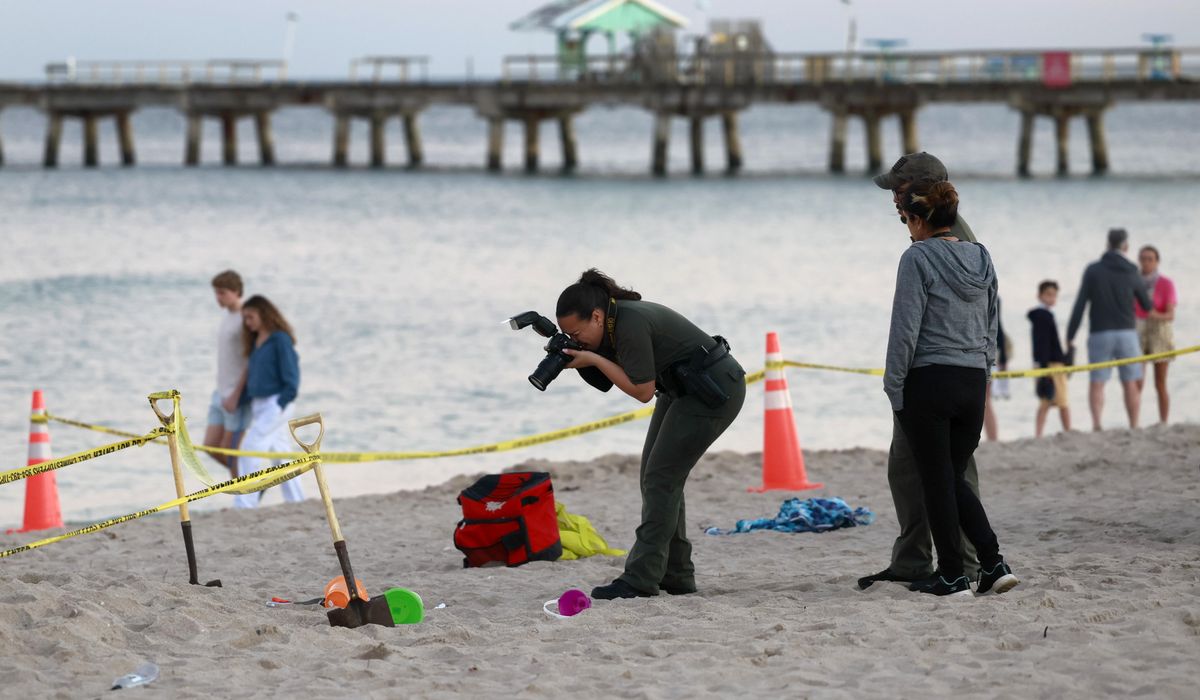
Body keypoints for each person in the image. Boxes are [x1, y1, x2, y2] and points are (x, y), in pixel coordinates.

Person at [552, 269, 746, 600]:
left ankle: (641, 579)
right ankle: (677, 574)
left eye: (576, 332)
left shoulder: (629, 323)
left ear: (597, 316)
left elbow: (642, 391)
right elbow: (625, 379)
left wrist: (594, 359)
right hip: (680, 390)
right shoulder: (612, 323)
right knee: (655, 477)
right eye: (567, 334)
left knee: (661, 478)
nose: (575, 339)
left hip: (714, 391)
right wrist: (585, 357)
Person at [883, 179, 1018, 597]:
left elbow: (904, 330)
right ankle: (992, 565)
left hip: (930, 382)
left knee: (938, 480)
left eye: (906, 218)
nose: (906, 225)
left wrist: (893, 387)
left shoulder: (917, 258)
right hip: (972, 381)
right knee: (952, 477)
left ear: (921, 219)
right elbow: (991, 320)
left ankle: (954, 575)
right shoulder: (981, 256)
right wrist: (987, 372)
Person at [859, 152, 983, 590]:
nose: (892, 199)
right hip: (942, 375)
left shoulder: (943, 242)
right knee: (907, 468)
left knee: (952, 471)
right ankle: (913, 559)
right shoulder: (932, 235)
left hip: (932, 379)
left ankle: (965, 564)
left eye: (897, 190)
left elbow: (914, 322)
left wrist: (896, 384)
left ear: (919, 193)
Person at [1066, 228, 1153, 431]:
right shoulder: (1132, 270)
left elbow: (1080, 304)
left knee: (1097, 381)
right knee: (1131, 381)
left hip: (1100, 332)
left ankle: (1097, 425)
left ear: (1107, 245)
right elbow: (1147, 306)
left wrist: (1070, 335)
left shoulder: (1093, 270)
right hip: (1127, 333)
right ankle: (1134, 424)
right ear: (1126, 246)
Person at [234, 295, 304, 509]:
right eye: (245, 318)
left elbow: (292, 376)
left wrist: (281, 403)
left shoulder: (280, 339)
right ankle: (297, 502)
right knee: (281, 455)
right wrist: (239, 400)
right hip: (259, 404)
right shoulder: (256, 343)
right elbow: (257, 378)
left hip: (276, 403)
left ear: (264, 314)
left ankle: (245, 503)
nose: (248, 322)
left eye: (251, 317)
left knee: (249, 448)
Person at [205, 271, 251, 476]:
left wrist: (236, 395)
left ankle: (243, 500)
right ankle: (252, 481)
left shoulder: (245, 319)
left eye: (222, 293)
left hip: (237, 395)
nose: (218, 298)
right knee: (211, 446)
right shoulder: (227, 317)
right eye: (216, 293)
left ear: (236, 292)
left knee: (231, 451)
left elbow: (251, 361)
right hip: (220, 392)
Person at [1134, 245, 1177, 424]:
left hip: (1160, 331)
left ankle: (1163, 421)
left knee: (1160, 382)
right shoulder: (1133, 282)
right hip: (1138, 330)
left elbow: (1170, 314)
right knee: (1137, 382)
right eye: (1143, 258)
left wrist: (1154, 315)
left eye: (1150, 259)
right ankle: (1134, 421)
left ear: (1157, 261)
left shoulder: (1166, 283)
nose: (1146, 262)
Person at [1027, 281, 1072, 436]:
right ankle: (1068, 431)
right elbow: (1044, 343)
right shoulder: (1044, 316)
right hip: (1051, 364)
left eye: (1054, 295)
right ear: (1039, 296)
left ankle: (1038, 434)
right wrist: (1046, 368)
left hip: (1044, 363)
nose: (1052, 298)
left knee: (1045, 401)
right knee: (1062, 401)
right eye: (1048, 294)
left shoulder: (1041, 316)